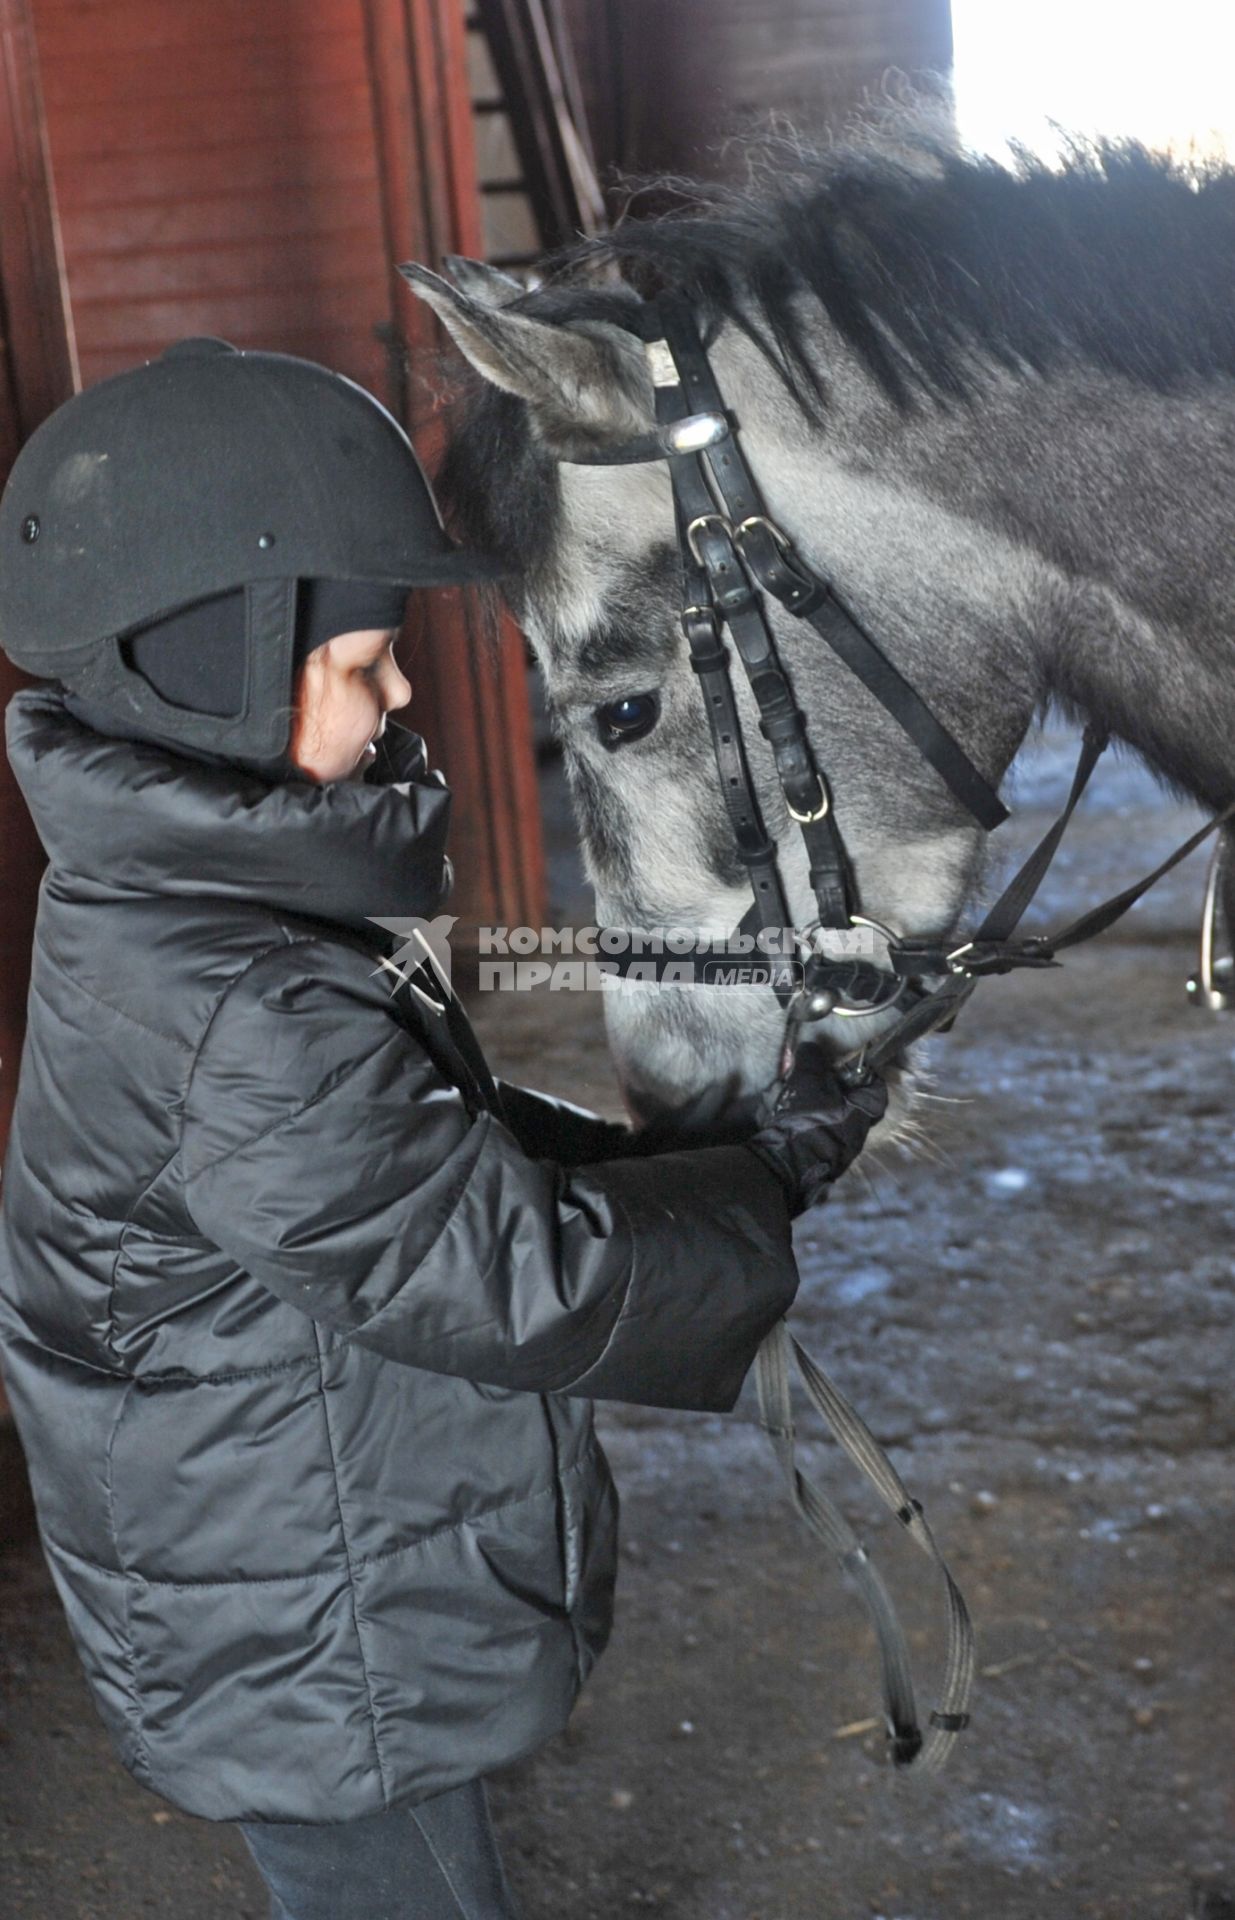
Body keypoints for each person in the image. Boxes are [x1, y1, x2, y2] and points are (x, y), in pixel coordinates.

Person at [0, 339, 885, 1920]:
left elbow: (431, 1159)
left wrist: (745, 1157)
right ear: (213, 674)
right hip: (303, 1630)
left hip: (287, 1552)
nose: (403, 691)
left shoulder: (189, 907)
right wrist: (766, 1188)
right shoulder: (238, 1004)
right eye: (360, 665)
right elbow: (502, 1273)